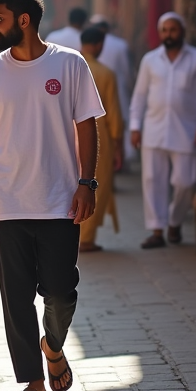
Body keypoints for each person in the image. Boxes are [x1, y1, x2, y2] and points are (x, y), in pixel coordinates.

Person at [0, 0, 104, 391]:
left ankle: (54, 344)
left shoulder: (70, 64)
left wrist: (87, 182)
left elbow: (87, 124)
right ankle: (32, 381)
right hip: (9, 203)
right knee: (16, 300)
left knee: (62, 292)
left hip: (61, 200)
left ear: (23, 21)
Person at [130, 12, 196, 249]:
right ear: (160, 33)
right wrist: (134, 126)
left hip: (187, 130)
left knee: (185, 181)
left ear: (182, 31)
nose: (169, 34)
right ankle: (157, 230)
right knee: (152, 180)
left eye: (173, 29)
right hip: (153, 128)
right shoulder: (150, 60)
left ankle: (175, 221)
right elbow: (139, 96)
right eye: (164, 30)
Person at [78, 27, 123, 252]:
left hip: (69, 133)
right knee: (97, 182)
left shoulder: (68, 68)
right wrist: (118, 143)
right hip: (99, 136)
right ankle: (85, 237)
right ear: (98, 45)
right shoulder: (105, 73)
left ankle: (72, 233)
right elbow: (113, 112)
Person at [88, 14, 134, 163]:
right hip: (116, 89)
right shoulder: (120, 45)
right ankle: (121, 156)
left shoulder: (86, 45)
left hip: (94, 88)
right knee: (116, 122)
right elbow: (127, 72)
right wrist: (129, 87)